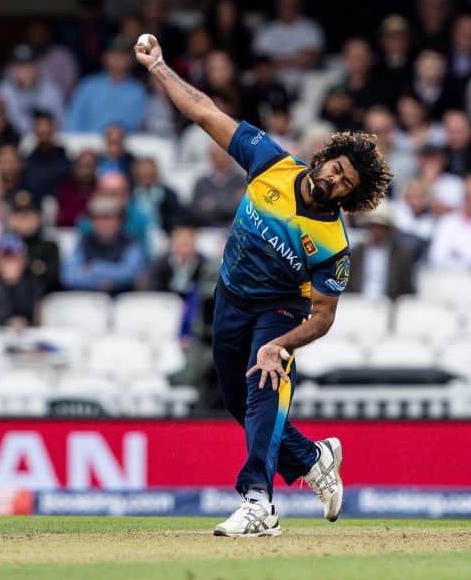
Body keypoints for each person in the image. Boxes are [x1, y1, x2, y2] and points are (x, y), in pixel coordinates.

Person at [135, 34, 392, 536]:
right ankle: (314, 459)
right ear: (323, 158)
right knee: (235, 401)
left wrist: (278, 345)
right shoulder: (270, 161)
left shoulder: (333, 243)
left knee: (262, 387)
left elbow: (323, 317)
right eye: (336, 170)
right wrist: (160, 66)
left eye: (346, 186)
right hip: (230, 296)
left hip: (280, 310)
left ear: (351, 198)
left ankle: (259, 502)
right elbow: (205, 111)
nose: (335, 182)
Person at [61, 195, 147, 294]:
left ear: (120, 220)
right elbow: (69, 276)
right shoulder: (84, 242)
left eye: (108, 217)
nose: (102, 223)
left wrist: (95, 268)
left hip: (121, 300)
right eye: (97, 218)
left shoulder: (131, 243)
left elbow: (130, 273)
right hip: (88, 298)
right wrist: (100, 284)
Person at [65, 37, 147, 133]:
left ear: (131, 59)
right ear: (104, 57)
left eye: (123, 55)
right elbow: (73, 122)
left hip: (125, 145)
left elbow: (140, 127)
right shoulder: (88, 86)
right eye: (114, 54)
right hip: (88, 145)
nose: (118, 59)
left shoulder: (138, 91)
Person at [347, 201, 417, 300]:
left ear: (388, 229)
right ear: (368, 227)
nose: (377, 231)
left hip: (389, 307)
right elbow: (347, 285)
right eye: (373, 226)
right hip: (358, 305)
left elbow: (407, 289)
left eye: (381, 227)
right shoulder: (355, 253)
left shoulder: (401, 255)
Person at [0, 44, 64, 136]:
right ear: (12, 68)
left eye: (29, 65)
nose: (25, 71)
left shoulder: (51, 89)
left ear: (37, 67)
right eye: (20, 65)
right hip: (13, 142)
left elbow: (61, 123)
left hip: (42, 143)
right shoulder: (3, 91)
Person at [252, 0, 324, 76]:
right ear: (277, 4)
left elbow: (310, 59)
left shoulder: (311, 28)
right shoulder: (265, 31)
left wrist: (278, 61)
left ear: (299, 4)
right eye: (284, 2)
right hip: (274, 79)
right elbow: (263, 63)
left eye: (292, 2)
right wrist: (296, 59)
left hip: (306, 79)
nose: (288, 5)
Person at [7, 191, 61, 296]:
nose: (24, 220)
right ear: (12, 219)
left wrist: (22, 268)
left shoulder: (49, 248)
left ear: (39, 218)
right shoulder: (4, 246)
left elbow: (52, 280)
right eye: (19, 215)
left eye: (28, 215)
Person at [191, 144, 246, 227]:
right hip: (207, 229)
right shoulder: (201, 182)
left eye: (222, 155)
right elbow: (195, 211)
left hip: (234, 228)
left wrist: (212, 205)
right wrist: (230, 202)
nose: (219, 158)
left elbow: (242, 209)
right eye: (215, 155)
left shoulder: (242, 181)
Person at [21, 111, 70, 204]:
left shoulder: (65, 161)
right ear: (34, 130)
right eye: (39, 125)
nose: (43, 130)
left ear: (53, 128)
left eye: (46, 125)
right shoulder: (27, 163)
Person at [130, 157, 183, 234]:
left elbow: (175, 219)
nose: (146, 174)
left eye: (149, 174)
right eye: (143, 173)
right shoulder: (130, 195)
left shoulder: (169, 194)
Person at [408, 50, 462, 122]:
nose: (432, 73)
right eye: (428, 68)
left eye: (436, 68)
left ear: (444, 70)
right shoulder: (407, 89)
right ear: (417, 67)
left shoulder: (452, 91)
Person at [55, 149, 98, 227]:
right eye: (82, 166)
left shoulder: (101, 189)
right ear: (75, 167)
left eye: (89, 166)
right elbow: (60, 217)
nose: (86, 170)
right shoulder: (64, 190)